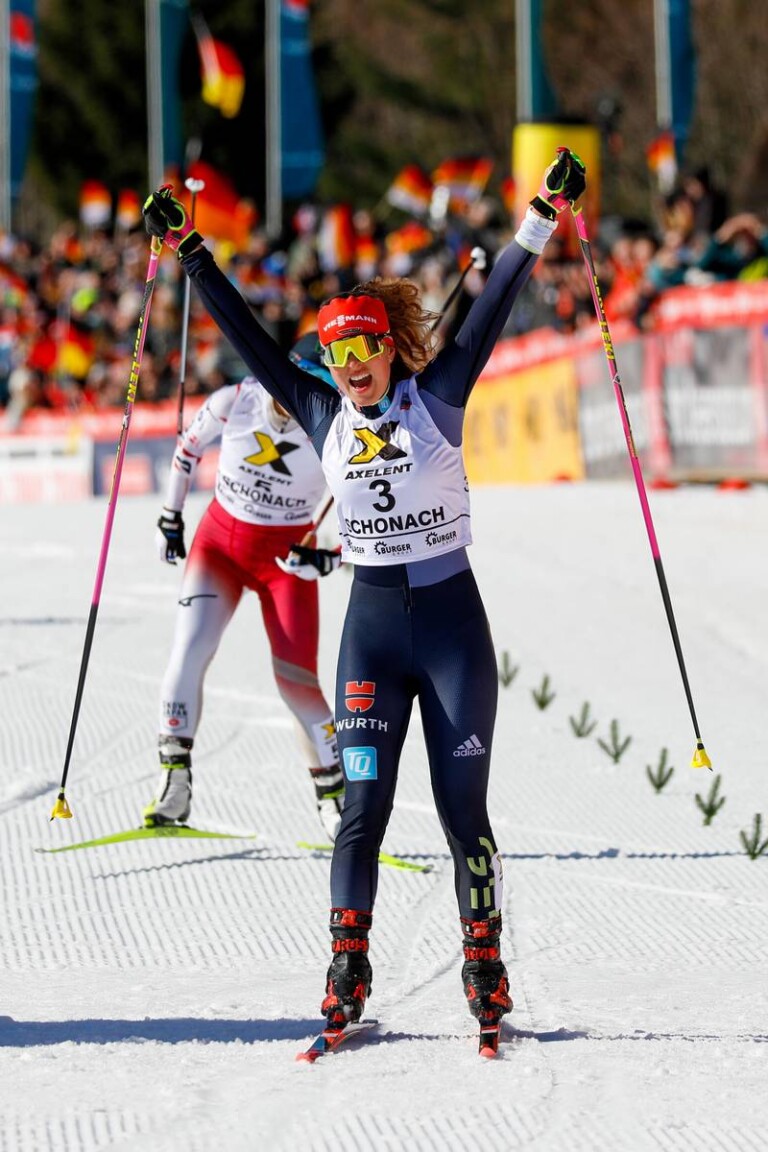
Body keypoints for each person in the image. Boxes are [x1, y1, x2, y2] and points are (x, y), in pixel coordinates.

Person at [142, 147, 586, 1040]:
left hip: (454, 629)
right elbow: (249, 338)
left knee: (464, 812)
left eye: (365, 348)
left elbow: (495, 299)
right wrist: (191, 247)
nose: (350, 365)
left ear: (389, 349)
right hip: (374, 637)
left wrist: (541, 210)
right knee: (360, 810)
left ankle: (484, 959)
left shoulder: (439, 396)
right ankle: (348, 965)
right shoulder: (316, 414)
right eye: (337, 352)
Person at [145, 341, 345, 842]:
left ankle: (337, 802)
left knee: (298, 685)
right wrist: (170, 517)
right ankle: (175, 782)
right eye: (296, 381)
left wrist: (330, 556)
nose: (297, 397)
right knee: (188, 654)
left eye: (316, 388)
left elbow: (368, 509)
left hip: (285, 562)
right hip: (220, 548)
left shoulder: (337, 425)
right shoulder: (237, 399)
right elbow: (188, 448)